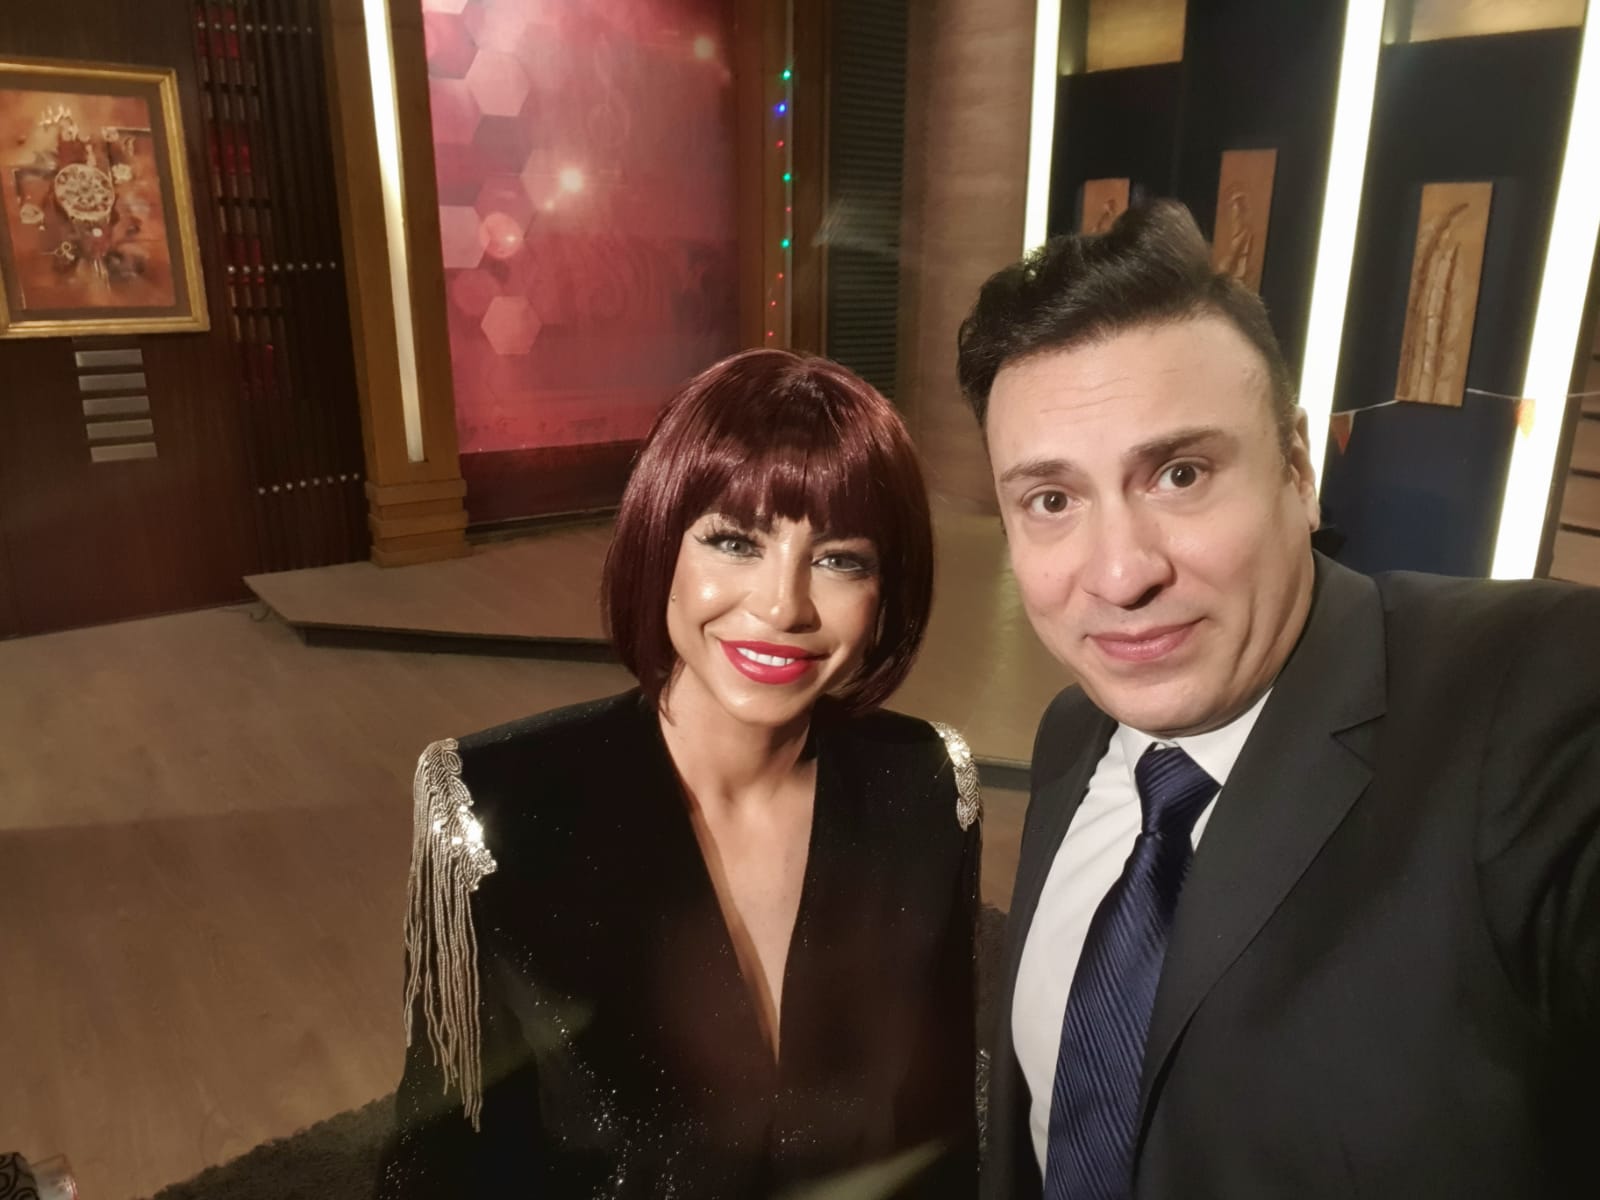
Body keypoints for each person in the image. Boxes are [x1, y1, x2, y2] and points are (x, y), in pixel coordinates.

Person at [958, 201, 1600, 1199]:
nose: (1121, 573)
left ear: (1297, 470)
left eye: (1179, 474)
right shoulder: (1073, 733)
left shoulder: (1530, 696)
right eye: (1051, 500)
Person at [374, 349, 982, 1198]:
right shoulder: (490, 803)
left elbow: (939, 1132)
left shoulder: (926, 786)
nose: (783, 605)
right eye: (735, 542)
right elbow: (442, 1162)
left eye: (841, 559)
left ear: (887, 593)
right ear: (660, 543)